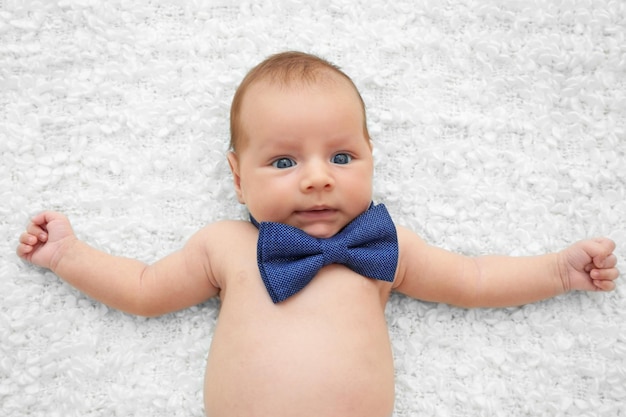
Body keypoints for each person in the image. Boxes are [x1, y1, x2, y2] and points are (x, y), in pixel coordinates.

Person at [16, 51, 619, 417]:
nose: (315, 180)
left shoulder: (386, 247)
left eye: (341, 157)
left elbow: (476, 278)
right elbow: (145, 289)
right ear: (236, 177)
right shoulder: (226, 246)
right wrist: (70, 255)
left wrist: (555, 271)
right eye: (283, 163)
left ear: (371, 158)